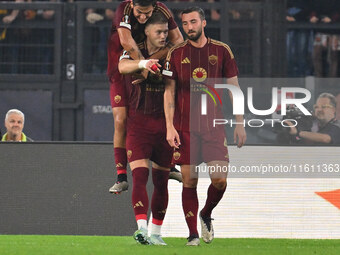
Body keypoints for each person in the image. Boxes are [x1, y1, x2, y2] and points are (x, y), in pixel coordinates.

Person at [163, 7, 246, 245]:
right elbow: (169, 92)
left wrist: (240, 123)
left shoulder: (221, 50)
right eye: (185, 23)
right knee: (189, 181)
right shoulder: (175, 53)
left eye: (193, 22)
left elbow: (234, 88)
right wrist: (169, 127)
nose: (189, 27)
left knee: (220, 180)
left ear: (204, 23)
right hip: (184, 127)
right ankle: (192, 234)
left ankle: (206, 213)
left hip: (213, 126)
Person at [107, 0, 183, 194]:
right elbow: (125, 41)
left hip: (151, 66)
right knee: (120, 119)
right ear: (132, 4)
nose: (142, 18)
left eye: (147, 14)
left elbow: (179, 42)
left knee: (165, 109)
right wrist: (143, 65)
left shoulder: (162, 10)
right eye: (139, 13)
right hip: (122, 67)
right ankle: (121, 175)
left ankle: (171, 164)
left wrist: (155, 62)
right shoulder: (123, 10)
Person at [118, 11, 173, 245]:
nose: (163, 36)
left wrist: (172, 127)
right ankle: (141, 228)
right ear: (148, 32)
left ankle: (157, 233)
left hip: (163, 125)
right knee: (140, 175)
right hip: (138, 125)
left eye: (165, 32)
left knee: (161, 181)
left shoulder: (172, 53)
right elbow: (121, 67)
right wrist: (143, 63)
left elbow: (172, 86)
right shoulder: (134, 50)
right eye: (158, 32)